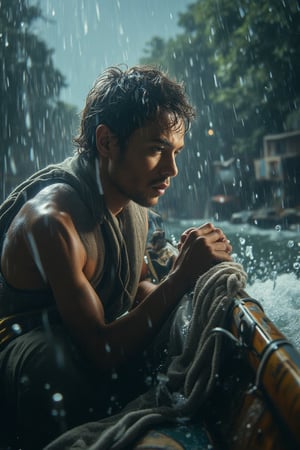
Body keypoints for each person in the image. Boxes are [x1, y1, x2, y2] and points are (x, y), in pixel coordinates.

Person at [0, 65, 232, 449]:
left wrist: (180, 284)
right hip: (28, 353)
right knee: (53, 363)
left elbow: (136, 283)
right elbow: (102, 350)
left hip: (90, 342)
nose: (171, 169)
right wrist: (178, 279)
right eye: (157, 149)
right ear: (106, 142)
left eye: (175, 152)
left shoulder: (132, 201)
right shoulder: (52, 222)